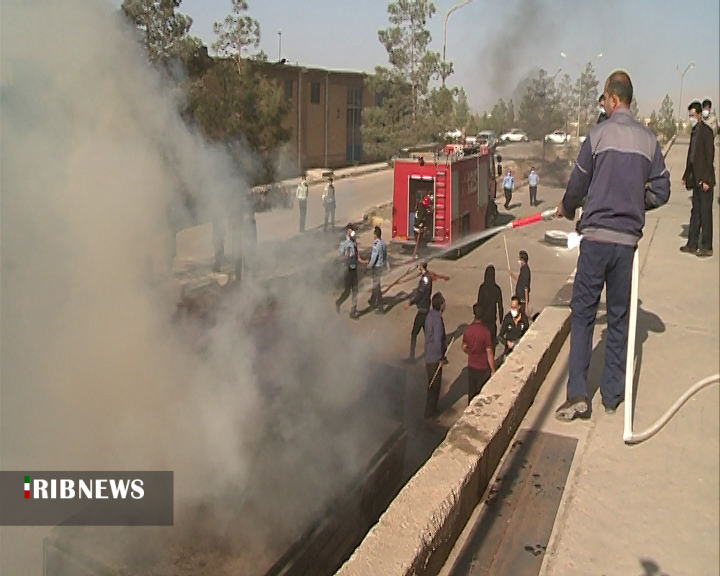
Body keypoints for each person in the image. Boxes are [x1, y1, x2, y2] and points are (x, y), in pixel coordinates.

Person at [554, 70, 670, 422]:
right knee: (619, 319)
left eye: (603, 99)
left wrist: (568, 207)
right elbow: (662, 191)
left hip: (595, 241)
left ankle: (577, 396)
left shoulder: (597, 136)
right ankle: (612, 396)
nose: (602, 105)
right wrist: (634, 203)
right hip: (626, 245)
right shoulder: (649, 141)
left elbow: (577, 184)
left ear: (613, 99)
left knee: (584, 317)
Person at [681, 101, 716, 258]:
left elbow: (709, 158)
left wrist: (707, 180)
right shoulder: (694, 132)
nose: (691, 118)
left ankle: (707, 246)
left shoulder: (707, 132)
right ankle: (692, 244)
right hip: (695, 179)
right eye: (689, 116)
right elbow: (691, 156)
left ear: (700, 115)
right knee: (695, 212)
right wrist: (686, 175)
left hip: (705, 179)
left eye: (693, 115)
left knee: (705, 213)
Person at [462, 302, 495, 404]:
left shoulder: (468, 330)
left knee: (471, 393)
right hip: (483, 367)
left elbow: (463, 347)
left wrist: (471, 352)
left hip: (472, 366)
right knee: (481, 395)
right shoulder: (485, 332)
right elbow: (489, 352)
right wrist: (493, 369)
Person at [335, 224, 367, 318]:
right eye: (352, 230)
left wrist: (365, 262)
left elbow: (358, 257)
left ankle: (353, 312)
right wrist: (346, 257)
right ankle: (338, 302)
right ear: (348, 231)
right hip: (347, 270)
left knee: (355, 291)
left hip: (354, 269)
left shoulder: (354, 243)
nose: (354, 233)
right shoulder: (344, 244)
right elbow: (338, 258)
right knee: (347, 292)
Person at [424, 292, 447, 418]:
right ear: (440, 304)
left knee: (431, 384)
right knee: (434, 386)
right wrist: (441, 357)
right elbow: (438, 339)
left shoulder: (430, 315)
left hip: (429, 354)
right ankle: (430, 413)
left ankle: (431, 411)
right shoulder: (437, 319)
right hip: (434, 357)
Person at [404, 261, 433, 362]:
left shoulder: (425, 279)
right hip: (425, 308)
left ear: (421, 266)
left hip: (422, 310)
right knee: (428, 334)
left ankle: (412, 357)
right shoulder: (426, 277)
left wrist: (410, 303)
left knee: (414, 333)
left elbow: (420, 294)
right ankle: (434, 354)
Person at [476, 264, 503, 352]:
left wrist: (477, 318)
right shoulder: (497, 289)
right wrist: (501, 320)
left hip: (483, 320)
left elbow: (479, 304)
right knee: (491, 344)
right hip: (492, 321)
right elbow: (500, 306)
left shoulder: (482, 288)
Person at [367, 225, 390, 314]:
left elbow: (374, 257)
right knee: (376, 283)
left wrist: (368, 266)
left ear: (376, 234)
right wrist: (388, 267)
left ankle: (381, 308)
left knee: (377, 287)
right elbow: (386, 256)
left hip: (376, 267)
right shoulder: (383, 243)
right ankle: (373, 300)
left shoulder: (376, 245)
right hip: (380, 267)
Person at [509, 250, 531, 317]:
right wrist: (512, 276)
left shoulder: (525, 271)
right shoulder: (523, 269)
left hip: (522, 301)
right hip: (519, 299)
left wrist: (526, 306)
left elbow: (526, 288)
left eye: (519, 258)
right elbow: (520, 281)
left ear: (522, 260)